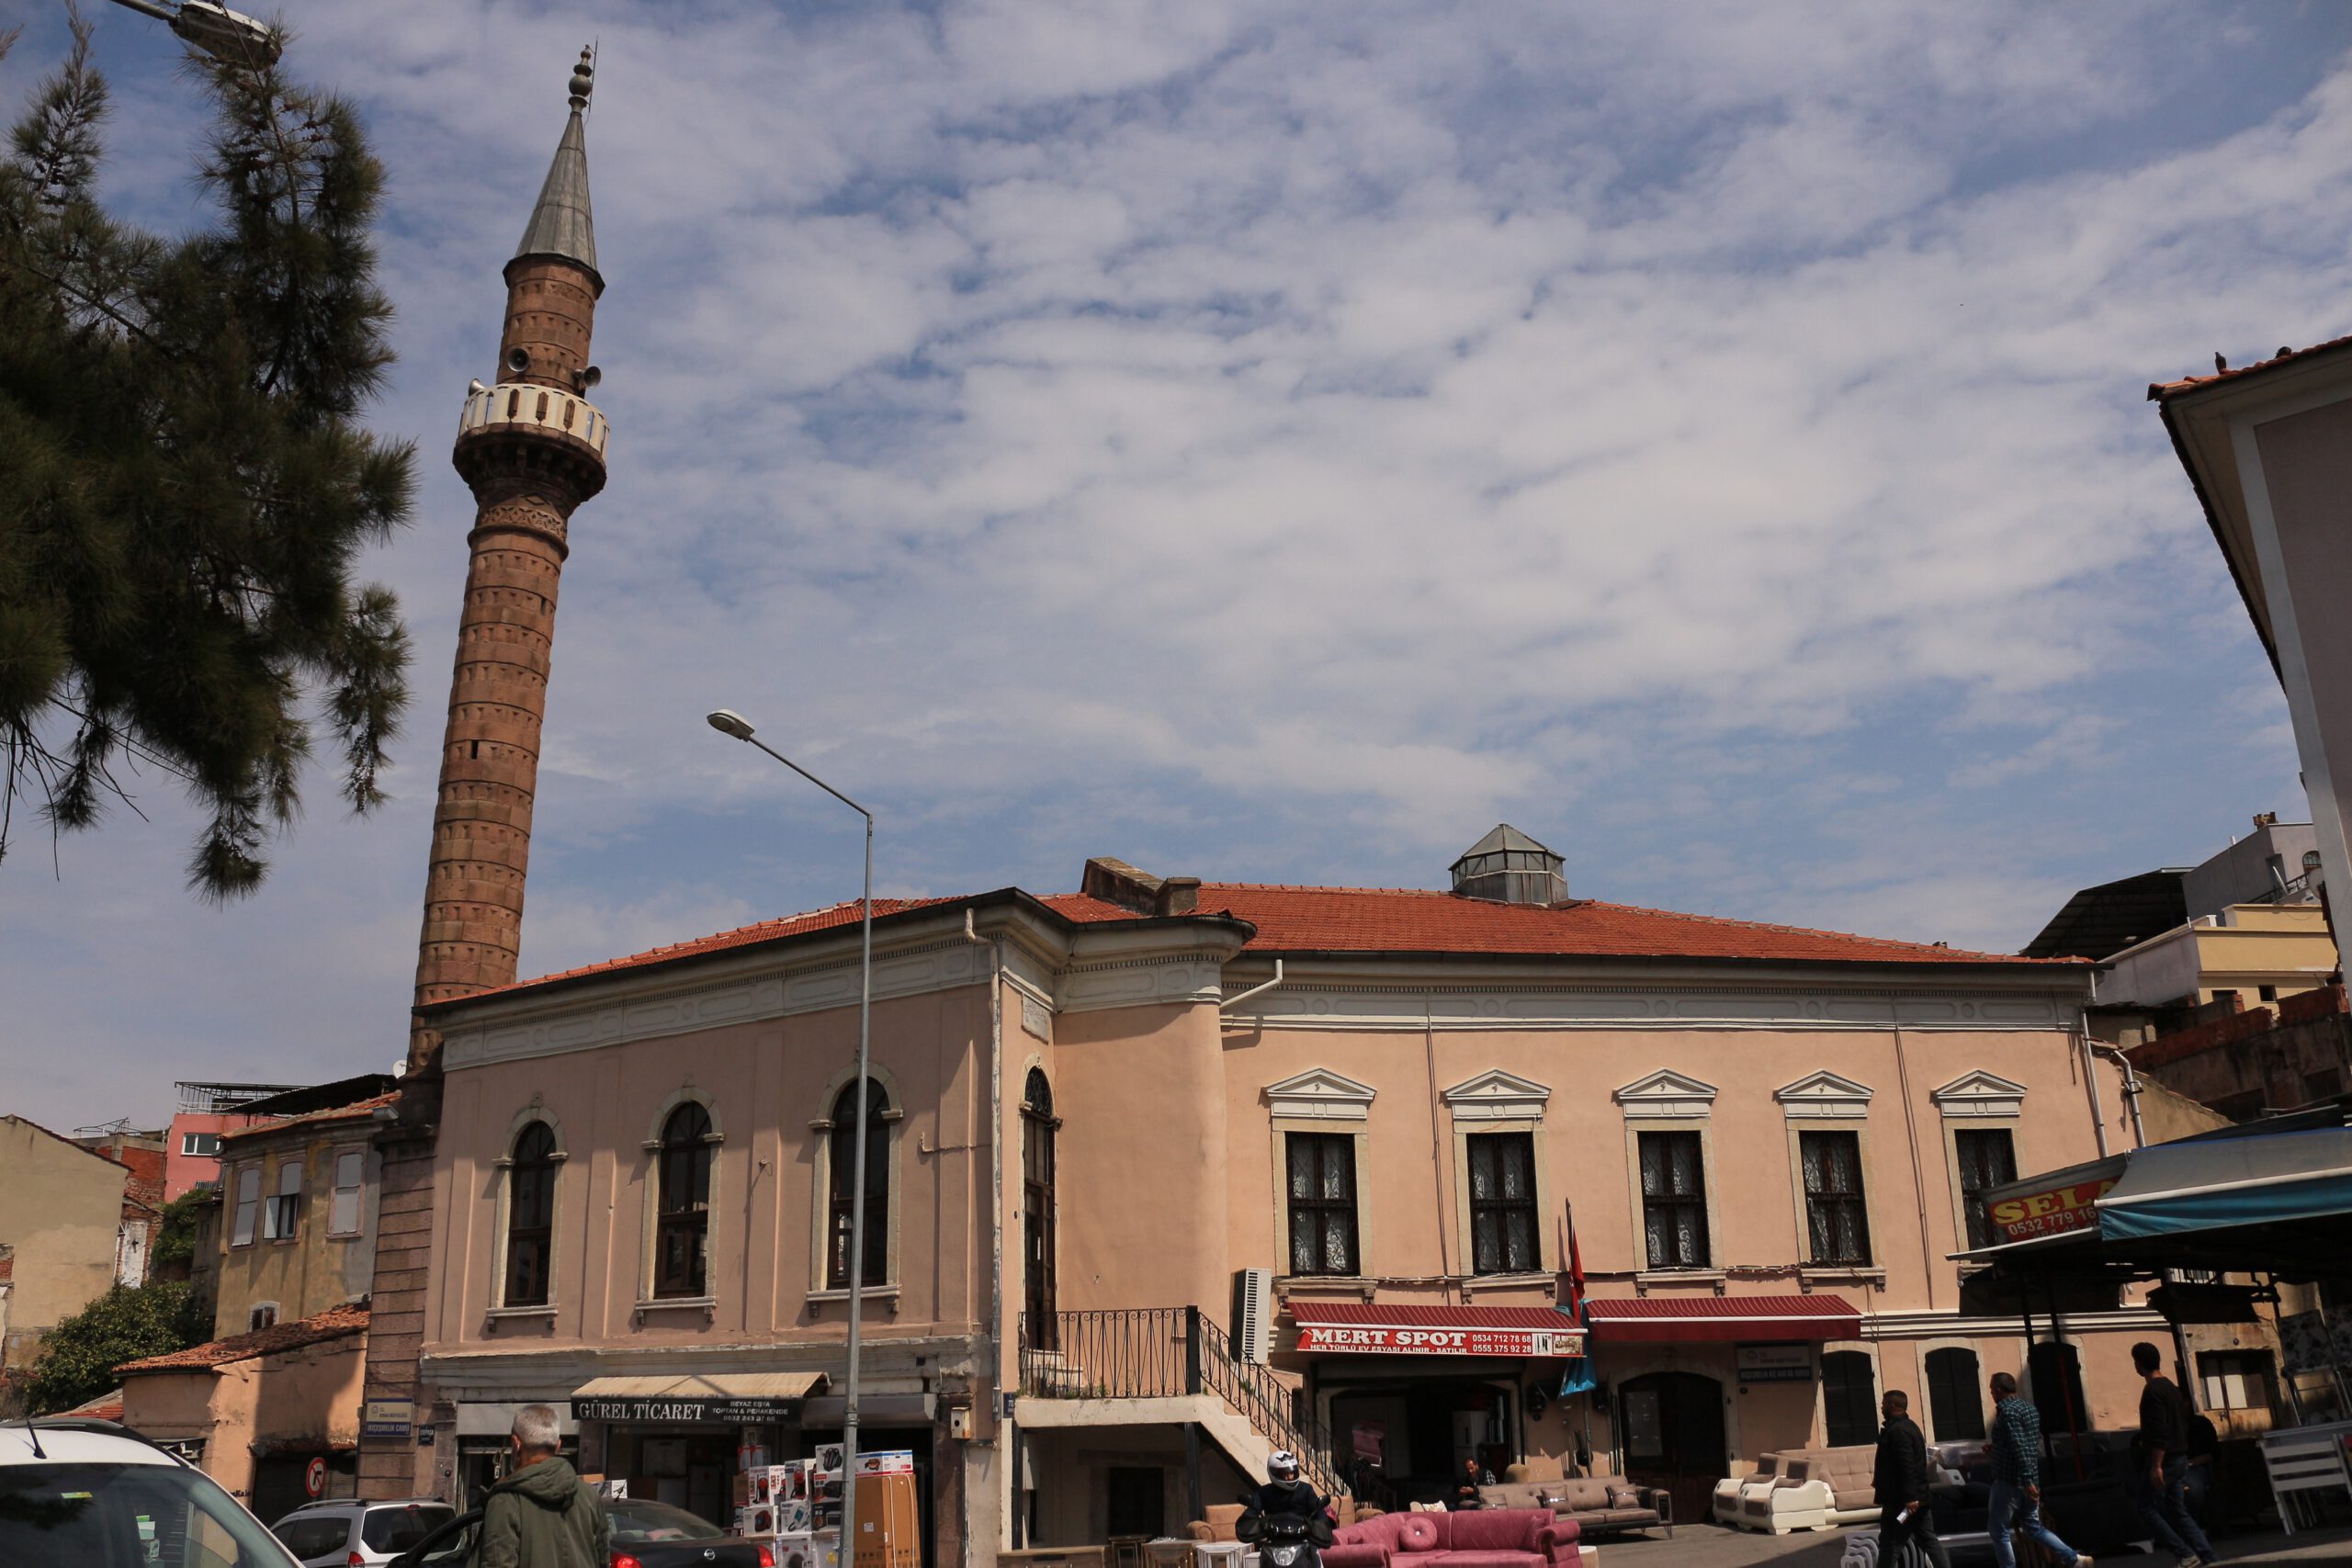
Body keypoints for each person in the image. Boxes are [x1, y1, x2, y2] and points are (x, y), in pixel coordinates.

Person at [479, 1404, 607, 1568]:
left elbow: (497, 1563)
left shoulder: (505, 1501)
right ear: (558, 1445)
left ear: (516, 1443)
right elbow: (603, 1558)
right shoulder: (589, 1496)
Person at [1986, 1371, 2089, 1568]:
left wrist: (2026, 1481)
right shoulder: (2030, 1409)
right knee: (2034, 1527)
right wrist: (1997, 1448)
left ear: (1998, 1390)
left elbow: (2020, 1445)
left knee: (1998, 1530)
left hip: (2010, 1481)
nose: (1991, 1393)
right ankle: (2073, 1559)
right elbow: (2027, 1443)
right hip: (2031, 1478)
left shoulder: (2007, 1412)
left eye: (1992, 1389)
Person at [2132, 1342, 2218, 1567]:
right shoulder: (2171, 1387)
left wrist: (2156, 1465)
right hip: (2180, 1457)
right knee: (2177, 1510)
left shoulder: (2152, 1391)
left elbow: (2159, 1431)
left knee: (2145, 1506)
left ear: (2139, 1364)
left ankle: (2184, 1553)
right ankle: (2207, 1555)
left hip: (2166, 1459)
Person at [1871, 1391, 1951, 1568]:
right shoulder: (1908, 1427)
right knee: (1928, 1539)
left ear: (1891, 1406)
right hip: (1915, 1501)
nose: (1881, 1407)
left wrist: (1910, 1497)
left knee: (1890, 1543)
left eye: (1883, 1404)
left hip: (1903, 1503)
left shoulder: (1899, 1431)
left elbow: (1907, 1465)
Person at [2183, 1406, 2220, 1526]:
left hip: (2196, 1467)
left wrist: (2191, 1462)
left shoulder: (2200, 1424)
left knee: (2192, 1489)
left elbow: (2213, 1453)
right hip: (2175, 1468)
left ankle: (2195, 1527)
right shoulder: (2167, 1427)